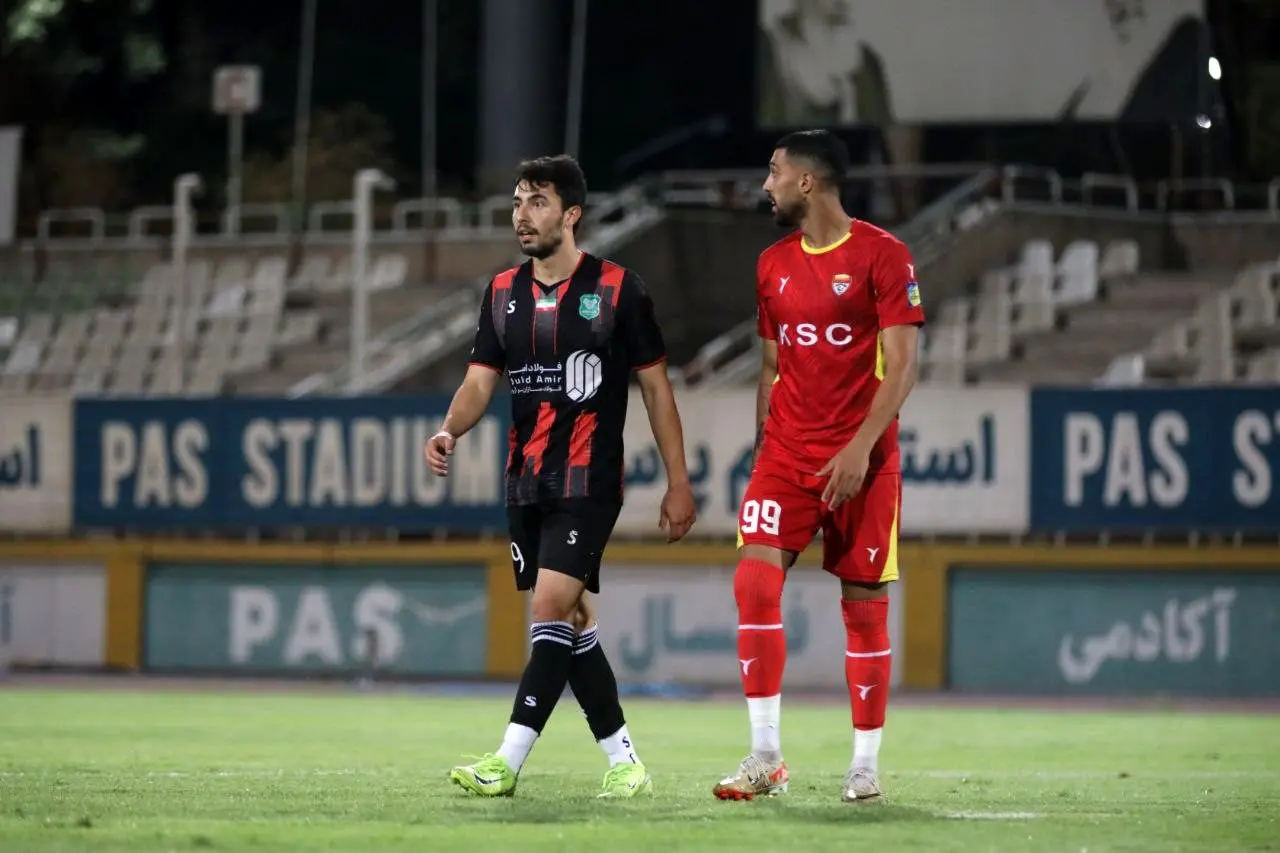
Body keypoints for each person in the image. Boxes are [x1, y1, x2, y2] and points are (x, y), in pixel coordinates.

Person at [425, 154, 698, 800]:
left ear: (572, 214)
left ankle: (506, 761)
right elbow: (478, 382)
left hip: (588, 480)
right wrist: (449, 429)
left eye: (538, 202)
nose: (522, 215)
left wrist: (678, 480)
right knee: (570, 620)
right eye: (518, 201)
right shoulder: (502, 293)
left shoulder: (619, 290)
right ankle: (626, 761)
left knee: (549, 606)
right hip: (525, 481)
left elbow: (656, 389)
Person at [711, 130, 924, 804]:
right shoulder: (771, 264)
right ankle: (766, 756)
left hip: (864, 459)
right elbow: (771, 366)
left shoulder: (884, 255)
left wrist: (859, 448)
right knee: (753, 582)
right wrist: (762, 449)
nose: (765, 184)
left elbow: (903, 366)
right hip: (786, 455)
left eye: (773, 171)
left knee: (864, 609)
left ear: (807, 180)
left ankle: (864, 764)